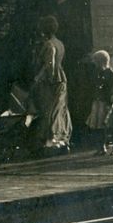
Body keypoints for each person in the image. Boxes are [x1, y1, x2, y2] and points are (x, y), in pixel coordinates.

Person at [30, 15, 71, 151]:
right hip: (62, 78)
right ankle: (62, 138)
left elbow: (49, 65)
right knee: (61, 109)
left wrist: (39, 78)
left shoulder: (48, 44)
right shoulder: (60, 43)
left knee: (50, 110)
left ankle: (51, 139)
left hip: (52, 81)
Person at [87, 49, 113, 155]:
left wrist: (110, 102)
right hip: (97, 102)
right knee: (97, 126)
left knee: (109, 125)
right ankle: (101, 147)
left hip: (106, 103)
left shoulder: (110, 74)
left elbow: (111, 89)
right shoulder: (97, 72)